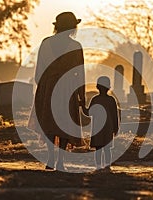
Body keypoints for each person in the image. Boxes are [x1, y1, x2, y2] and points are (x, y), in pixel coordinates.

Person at [34, 12, 85, 171]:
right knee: (64, 123)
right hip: (67, 87)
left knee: (49, 122)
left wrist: (42, 86)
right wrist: (81, 96)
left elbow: (39, 71)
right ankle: (61, 160)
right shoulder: (76, 46)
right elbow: (80, 73)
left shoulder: (46, 43)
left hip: (48, 86)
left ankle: (50, 158)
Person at [82, 76, 119, 170]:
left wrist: (82, 106)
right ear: (108, 87)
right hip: (108, 127)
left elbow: (88, 113)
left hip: (98, 128)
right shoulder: (111, 100)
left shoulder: (96, 99)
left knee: (98, 149)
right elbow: (115, 116)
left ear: (97, 87)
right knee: (106, 149)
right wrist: (115, 128)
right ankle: (107, 166)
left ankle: (99, 166)